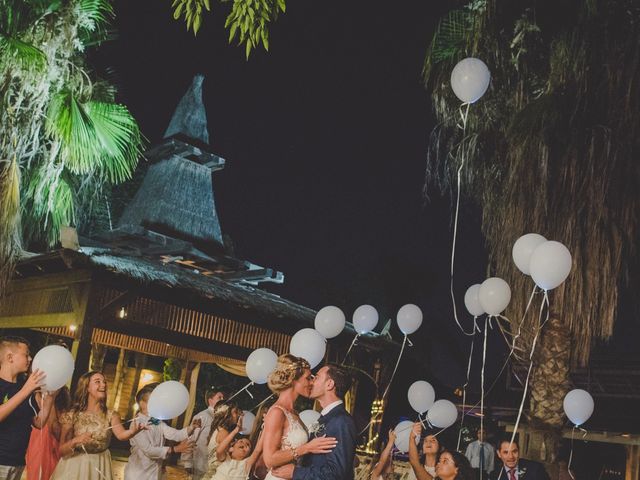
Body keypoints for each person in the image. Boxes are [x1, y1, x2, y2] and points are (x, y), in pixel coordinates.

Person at [50, 371, 145, 480]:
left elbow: (121, 435)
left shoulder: (111, 415)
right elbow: (61, 450)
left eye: (104, 382)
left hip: (99, 465)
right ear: (87, 388)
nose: (103, 385)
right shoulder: (72, 415)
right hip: (74, 467)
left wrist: (133, 431)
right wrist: (76, 440)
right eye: (97, 382)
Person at [271, 363, 357, 480]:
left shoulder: (342, 421)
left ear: (329, 384)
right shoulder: (327, 418)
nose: (311, 382)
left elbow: (336, 474)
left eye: (316, 377)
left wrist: (296, 473)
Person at [261, 355, 337, 480]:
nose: (311, 382)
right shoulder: (277, 412)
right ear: (293, 380)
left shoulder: (294, 413)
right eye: (308, 378)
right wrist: (307, 448)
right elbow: (269, 459)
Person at [0, 336, 54, 480]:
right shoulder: (23, 387)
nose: (30, 359)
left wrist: (49, 399)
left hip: (17, 462)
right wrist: (26, 390)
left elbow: (38, 423)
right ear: (10, 357)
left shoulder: (25, 386)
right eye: (26, 354)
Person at [124, 383, 200, 480]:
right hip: (138, 474)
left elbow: (175, 434)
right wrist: (175, 449)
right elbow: (149, 450)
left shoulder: (157, 422)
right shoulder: (136, 423)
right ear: (142, 403)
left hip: (154, 473)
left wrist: (191, 427)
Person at [25, 386, 71, 480]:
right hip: (41, 447)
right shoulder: (36, 395)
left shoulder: (36, 394)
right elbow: (55, 429)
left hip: (47, 447)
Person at [182, 388, 226, 480]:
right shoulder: (203, 416)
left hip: (212, 467)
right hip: (199, 465)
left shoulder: (221, 419)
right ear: (210, 401)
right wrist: (187, 463)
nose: (223, 400)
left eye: (223, 397)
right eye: (219, 397)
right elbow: (191, 439)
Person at [209, 416, 264, 480]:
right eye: (241, 441)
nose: (244, 444)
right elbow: (219, 450)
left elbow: (257, 450)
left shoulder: (246, 464)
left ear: (248, 454)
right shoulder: (225, 458)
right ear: (231, 448)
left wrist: (265, 428)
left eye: (248, 445)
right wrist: (236, 430)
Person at [204, 401, 243, 478]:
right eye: (235, 412)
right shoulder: (224, 433)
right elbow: (221, 456)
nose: (237, 415)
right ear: (227, 415)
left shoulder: (218, 429)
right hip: (216, 474)